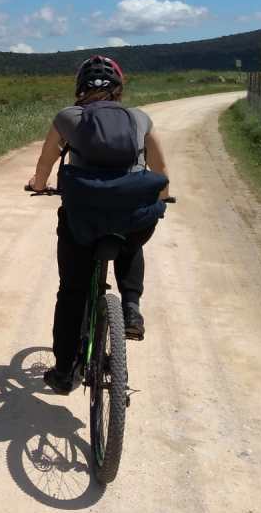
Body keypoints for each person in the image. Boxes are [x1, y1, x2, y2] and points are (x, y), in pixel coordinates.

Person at [27, 55, 170, 395]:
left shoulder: (67, 117)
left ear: (80, 88)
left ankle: (64, 372)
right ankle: (131, 308)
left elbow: (46, 162)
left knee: (72, 293)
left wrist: (39, 184)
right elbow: (160, 169)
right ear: (119, 89)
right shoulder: (139, 118)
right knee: (130, 239)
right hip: (130, 216)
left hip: (83, 218)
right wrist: (162, 197)